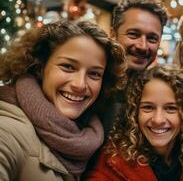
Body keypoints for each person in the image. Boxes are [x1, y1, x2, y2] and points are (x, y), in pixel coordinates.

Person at [0, 20, 127, 180]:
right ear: (40, 67)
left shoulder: (89, 135)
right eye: (68, 66)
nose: (80, 85)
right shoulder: (7, 130)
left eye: (94, 74)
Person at [86, 64, 183, 181]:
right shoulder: (111, 163)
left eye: (171, 108)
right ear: (134, 113)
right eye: (148, 107)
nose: (158, 120)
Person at [100, 0, 168, 137]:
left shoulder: (156, 91)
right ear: (113, 35)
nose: (143, 46)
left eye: (152, 38)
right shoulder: (90, 81)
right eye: (133, 34)